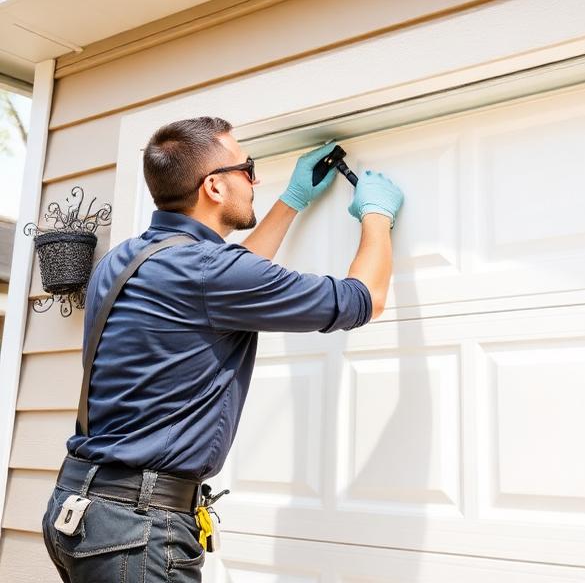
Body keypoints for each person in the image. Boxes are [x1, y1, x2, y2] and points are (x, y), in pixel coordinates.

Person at [40, 116, 404, 582]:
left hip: (79, 509)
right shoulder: (210, 272)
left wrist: (289, 204)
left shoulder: (124, 259)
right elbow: (363, 298)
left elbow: (226, 282)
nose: (255, 179)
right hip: (137, 527)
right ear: (213, 187)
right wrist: (378, 216)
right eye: (247, 168)